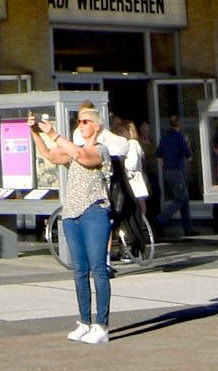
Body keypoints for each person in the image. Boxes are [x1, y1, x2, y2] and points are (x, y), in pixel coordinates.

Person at [29, 104, 112, 346]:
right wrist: (35, 132)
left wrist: (54, 133)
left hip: (94, 213)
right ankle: (85, 322)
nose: (81, 124)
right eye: (79, 121)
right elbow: (49, 154)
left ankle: (102, 325)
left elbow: (83, 157)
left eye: (85, 121)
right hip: (72, 215)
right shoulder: (72, 150)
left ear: (96, 126)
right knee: (79, 271)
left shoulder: (101, 150)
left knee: (98, 269)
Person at [99, 117, 154, 263]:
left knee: (131, 214)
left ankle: (133, 246)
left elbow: (132, 164)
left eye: (121, 130)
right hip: (128, 182)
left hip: (132, 183)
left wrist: (121, 162)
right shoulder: (124, 144)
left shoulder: (132, 143)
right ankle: (128, 246)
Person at [156, 117, 191, 233]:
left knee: (184, 198)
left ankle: (188, 228)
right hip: (176, 170)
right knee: (181, 198)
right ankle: (161, 219)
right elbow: (187, 154)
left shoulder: (164, 137)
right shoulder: (179, 137)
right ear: (179, 124)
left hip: (167, 171)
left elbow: (159, 154)